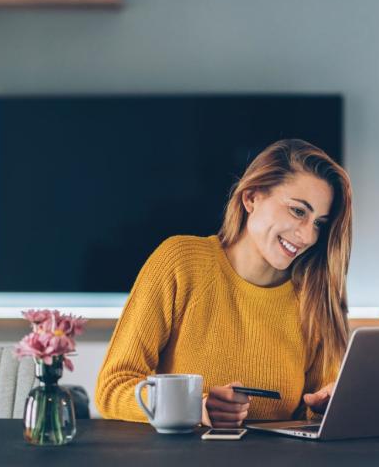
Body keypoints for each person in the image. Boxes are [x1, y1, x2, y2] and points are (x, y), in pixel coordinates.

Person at [95, 138, 352, 428]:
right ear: (251, 197)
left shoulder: (314, 295)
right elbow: (113, 388)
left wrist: (326, 407)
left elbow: (311, 417)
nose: (307, 236)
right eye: (298, 211)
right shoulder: (181, 262)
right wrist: (195, 408)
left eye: (319, 223)